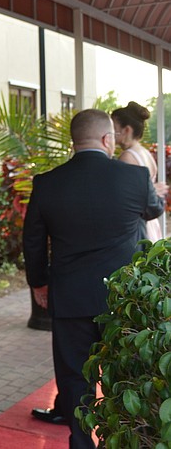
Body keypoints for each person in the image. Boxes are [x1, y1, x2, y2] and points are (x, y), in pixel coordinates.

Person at [23, 108, 164, 449]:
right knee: (125, 376)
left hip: (70, 297)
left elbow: (32, 240)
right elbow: (153, 211)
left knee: (74, 377)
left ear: (74, 142)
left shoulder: (47, 183)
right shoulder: (133, 178)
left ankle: (81, 443)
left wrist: (39, 283)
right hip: (123, 302)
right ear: (107, 139)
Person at [112, 101, 167, 242]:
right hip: (151, 224)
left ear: (127, 130)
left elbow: (126, 196)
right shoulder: (144, 152)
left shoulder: (127, 157)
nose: (112, 134)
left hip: (138, 226)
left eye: (114, 128)